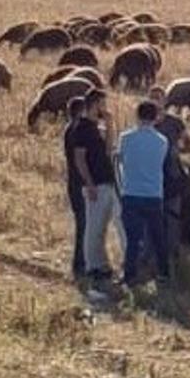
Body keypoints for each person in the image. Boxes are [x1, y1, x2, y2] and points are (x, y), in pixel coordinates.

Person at [117, 100, 170, 286]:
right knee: (157, 237)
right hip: (154, 194)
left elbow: (120, 160)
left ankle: (130, 275)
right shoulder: (162, 141)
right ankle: (164, 273)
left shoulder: (125, 138)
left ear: (137, 116)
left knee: (133, 239)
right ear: (155, 118)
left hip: (131, 192)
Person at [77, 89, 125, 290]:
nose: (105, 108)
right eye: (103, 105)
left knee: (111, 224)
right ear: (95, 104)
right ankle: (93, 266)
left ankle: (104, 265)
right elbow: (79, 158)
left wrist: (110, 124)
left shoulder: (98, 127)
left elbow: (109, 148)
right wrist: (89, 183)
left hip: (108, 182)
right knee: (94, 227)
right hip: (94, 184)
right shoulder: (82, 128)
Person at [149, 86, 190, 258]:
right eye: (152, 98)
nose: (155, 101)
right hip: (152, 177)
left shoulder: (175, 123)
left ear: (165, 101)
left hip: (173, 175)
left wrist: (178, 149)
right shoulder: (145, 124)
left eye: (158, 98)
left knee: (173, 216)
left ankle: (174, 254)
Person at [63, 97, 88, 281]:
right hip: (80, 183)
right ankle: (80, 263)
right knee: (84, 224)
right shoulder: (78, 132)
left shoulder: (69, 129)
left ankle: (80, 261)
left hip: (73, 181)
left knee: (82, 223)